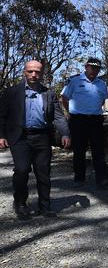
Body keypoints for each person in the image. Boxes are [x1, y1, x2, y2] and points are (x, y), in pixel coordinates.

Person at [0, 60, 71, 219]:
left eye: (37, 71)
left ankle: (44, 206)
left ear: (42, 73)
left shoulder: (49, 93)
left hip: (42, 137)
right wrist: (2, 135)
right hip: (20, 137)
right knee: (22, 170)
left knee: (43, 172)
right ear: (24, 72)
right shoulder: (11, 92)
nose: (34, 74)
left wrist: (65, 133)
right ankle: (20, 204)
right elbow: (2, 116)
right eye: (30, 71)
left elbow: (58, 116)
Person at [61, 57, 108, 187]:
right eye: (92, 67)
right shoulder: (74, 80)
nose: (94, 70)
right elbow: (64, 98)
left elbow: (103, 100)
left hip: (96, 120)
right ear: (86, 67)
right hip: (78, 120)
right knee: (79, 150)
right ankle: (79, 178)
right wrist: (72, 111)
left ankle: (102, 178)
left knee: (98, 150)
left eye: (97, 68)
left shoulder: (102, 84)